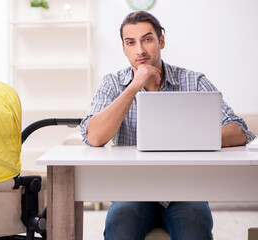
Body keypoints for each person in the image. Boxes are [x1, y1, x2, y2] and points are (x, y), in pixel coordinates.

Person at [80, 11, 256, 240]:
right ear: (124, 48)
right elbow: (94, 136)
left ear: (161, 41)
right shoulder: (112, 83)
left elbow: (238, 129)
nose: (140, 50)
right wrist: (133, 87)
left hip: (186, 191)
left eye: (147, 39)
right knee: (119, 227)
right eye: (130, 43)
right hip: (131, 191)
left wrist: (187, 140)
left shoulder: (193, 81)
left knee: (194, 229)